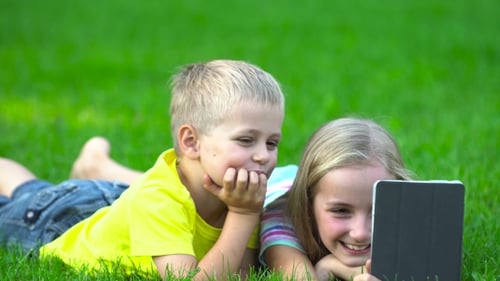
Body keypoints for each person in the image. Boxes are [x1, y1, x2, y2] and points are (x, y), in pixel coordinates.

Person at [0, 59, 285, 280]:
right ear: (191, 142)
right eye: (246, 140)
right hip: (54, 225)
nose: (263, 156)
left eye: (272, 143)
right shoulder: (160, 200)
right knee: (25, 203)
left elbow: (241, 273)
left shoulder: (241, 197)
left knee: (34, 191)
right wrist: (243, 215)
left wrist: (244, 213)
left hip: (110, 203)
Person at [259, 117, 413, 281]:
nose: (360, 233)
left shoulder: (406, 217)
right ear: (308, 204)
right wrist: (340, 269)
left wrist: (328, 265)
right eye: (341, 211)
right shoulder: (281, 219)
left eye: (378, 212)